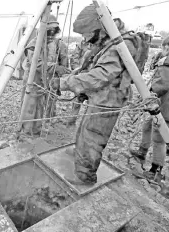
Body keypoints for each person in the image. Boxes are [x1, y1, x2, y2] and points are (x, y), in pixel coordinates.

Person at [54, 4, 144, 185]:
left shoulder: (121, 43)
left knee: (93, 137)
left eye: (87, 33)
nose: (85, 38)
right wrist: (76, 74)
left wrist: (66, 83)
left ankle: (85, 176)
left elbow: (102, 74)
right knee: (85, 129)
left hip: (109, 101)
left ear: (99, 29)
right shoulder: (109, 40)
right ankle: (81, 154)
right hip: (100, 97)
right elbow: (94, 65)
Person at [130, 32, 169, 179]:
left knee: (159, 139)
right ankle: (142, 152)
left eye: (164, 48)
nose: (162, 51)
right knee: (147, 126)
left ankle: (156, 170)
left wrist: (148, 94)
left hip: (163, 108)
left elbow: (162, 86)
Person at [20, 15, 70, 136]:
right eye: (49, 32)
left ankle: (36, 130)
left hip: (43, 83)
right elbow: (36, 64)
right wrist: (56, 67)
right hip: (32, 82)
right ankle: (25, 133)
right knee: (29, 107)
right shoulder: (33, 45)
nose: (52, 36)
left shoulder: (52, 44)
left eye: (54, 32)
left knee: (40, 107)